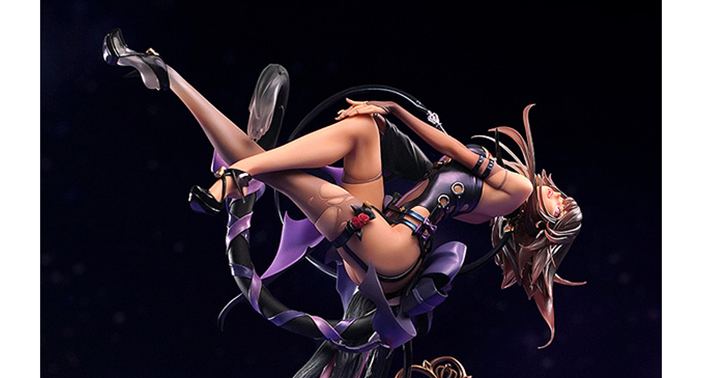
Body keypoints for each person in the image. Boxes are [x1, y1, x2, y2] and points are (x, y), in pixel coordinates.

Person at [102, 28, 582, 345]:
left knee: (280, 167)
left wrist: (396, 110)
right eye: (565, 196)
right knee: (361, 130)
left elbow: (451, 147)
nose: (557, 194)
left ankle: (235, 174)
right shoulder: (494, 204)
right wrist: (382, 121)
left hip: (392, 248)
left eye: (561, 207)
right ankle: (171, 79)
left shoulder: (518, 190)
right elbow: (433, 176)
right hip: (386, 228)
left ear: (548, 224)